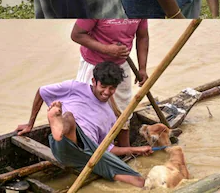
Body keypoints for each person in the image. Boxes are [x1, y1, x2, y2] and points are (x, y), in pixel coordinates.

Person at [15, 62, 152, 187]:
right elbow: (42, 91)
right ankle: (59, 126)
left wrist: (136, 150)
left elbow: (106, 148)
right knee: (69, 117)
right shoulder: (74, 87)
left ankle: (61, 126)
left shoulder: (110, 115)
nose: (106, 92)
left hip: (86, 155)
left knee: (139, 181)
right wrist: (30, 124)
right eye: (103, 86)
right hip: (64, 143)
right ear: (94, 81)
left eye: (111, 88)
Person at [70, 19, 149, 148]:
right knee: (88, 108)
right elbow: (76, 34)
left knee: (124, 107)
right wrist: (106, 49)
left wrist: (142, 68)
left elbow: (143, 36)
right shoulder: (99, 6)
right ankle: (89, 147)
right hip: (94, 64)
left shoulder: (138, 9)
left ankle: (125, 147)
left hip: (121, 64)